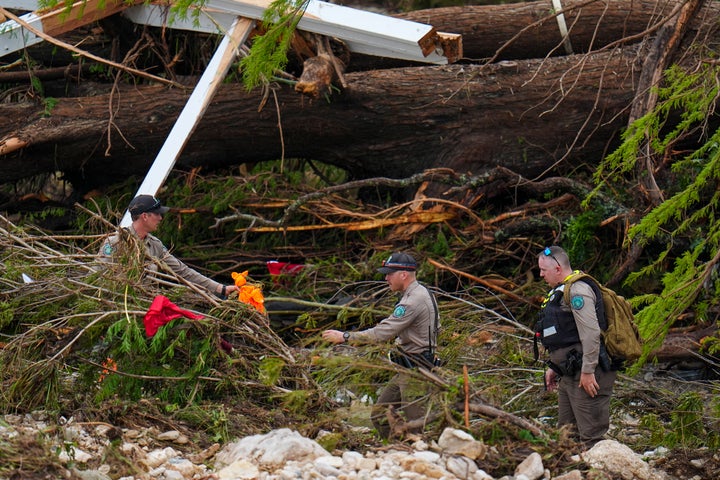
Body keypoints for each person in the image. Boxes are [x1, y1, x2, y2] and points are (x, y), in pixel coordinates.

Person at [322, 252, 440, 438]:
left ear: (403, 275)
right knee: (380, 415)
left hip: (416, 369)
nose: (386, 278)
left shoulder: (412, 300)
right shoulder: (418, 293)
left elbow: (382, 333)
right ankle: (398, 450)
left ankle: (419, 456)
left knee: (416, 425)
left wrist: (345, 336)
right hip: (408, 367)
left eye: (389, 274)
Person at [535, 245, 617, 445]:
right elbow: (566, 337)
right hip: (570, 373)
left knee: (590, 436)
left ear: (557, 269)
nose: (540, 275)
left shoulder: (578, 290)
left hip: (588, 373)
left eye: (543, 270)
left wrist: (588, 371)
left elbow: (591, 333)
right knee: (566, 436)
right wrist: (554, 367)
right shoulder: (560, 291)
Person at [98, 194, 238, 299]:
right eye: (157, 214)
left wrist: (221, 288)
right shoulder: (115, 242)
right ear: (145, 216)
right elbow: (97, 275)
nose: (160, 218)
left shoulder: (155, 245)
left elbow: (182, 271)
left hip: (147, 306)